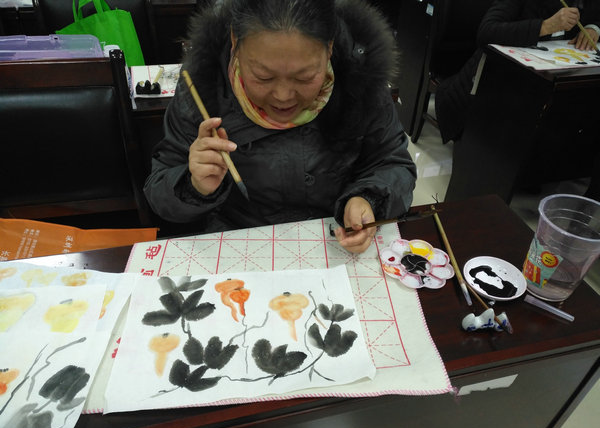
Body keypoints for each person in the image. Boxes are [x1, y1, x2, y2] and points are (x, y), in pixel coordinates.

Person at [144, 0, 416, 254]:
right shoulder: (203, 86)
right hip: (239, 243)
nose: (283, 96)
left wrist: (368, 199)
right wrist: (195, 185)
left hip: (335, 240)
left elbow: (392, 163)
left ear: (330, 47)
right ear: (235, 42)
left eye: (304, 77)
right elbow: (159, 189)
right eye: (263, 77)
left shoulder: (362, 75)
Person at [435, 0, 600, 144]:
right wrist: (545, 27)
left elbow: (595, 14)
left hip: (548, 81)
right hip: (498, 79)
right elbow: (486, 32)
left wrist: (594, 28)